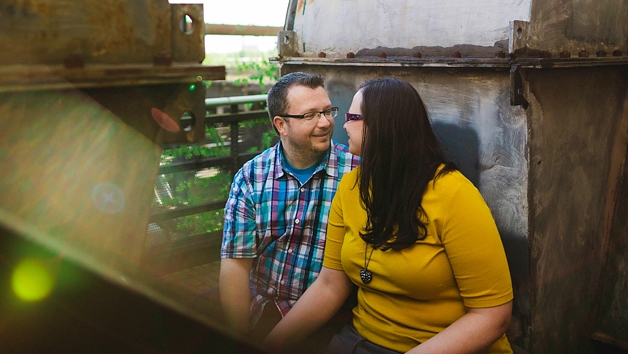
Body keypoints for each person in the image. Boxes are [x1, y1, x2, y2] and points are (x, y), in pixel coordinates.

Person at [264, 78, 513, 353]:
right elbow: (330, 284)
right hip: (360, 339)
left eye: (352, 118)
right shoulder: (350, 187)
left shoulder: (454, 194)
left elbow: (492, 316)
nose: (342, 126)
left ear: (383, 126)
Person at [220, 72, 360, 344]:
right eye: (310, 115)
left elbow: (340, 280)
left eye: (327, 111)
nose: (325, 122)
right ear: (281, 125)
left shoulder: (356, 172)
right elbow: (236, 263)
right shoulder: (251, 176)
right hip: (261, 306)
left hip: (329, 317)